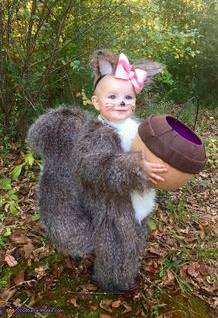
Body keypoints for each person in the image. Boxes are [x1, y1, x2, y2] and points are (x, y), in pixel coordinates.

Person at [27, 49, 167, 292]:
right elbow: (97, 167)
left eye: (128, 98)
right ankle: (112, 284)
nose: (121, 103)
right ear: (96, 102)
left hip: (135, 200)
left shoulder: (135, 127)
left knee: (134, 238)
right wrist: (134, 168)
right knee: (118, 249)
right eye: (112, 97)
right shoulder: (97, 134)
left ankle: (122, 269)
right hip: (111, 208)